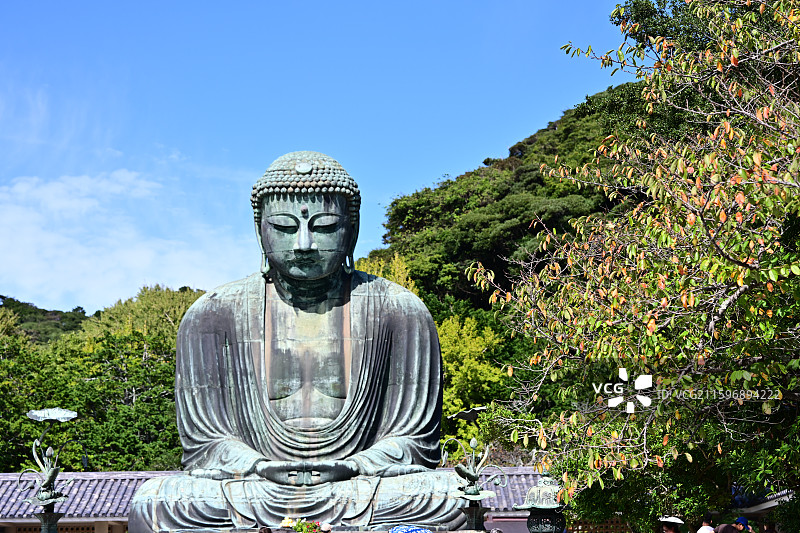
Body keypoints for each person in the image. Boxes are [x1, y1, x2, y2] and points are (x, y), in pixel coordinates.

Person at [129, 152, 465, 531]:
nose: (304, 244)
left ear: (351, 230)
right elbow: (206, 442)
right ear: (260, 230)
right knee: (156, 501)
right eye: (285, 228)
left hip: (358, 487)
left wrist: (355, 465)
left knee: (451, 497)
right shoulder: (212, 314)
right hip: (256, 487)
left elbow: (414, 441)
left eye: (323, 226)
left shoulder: (399, 310)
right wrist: (257, 465)